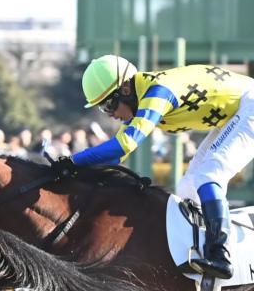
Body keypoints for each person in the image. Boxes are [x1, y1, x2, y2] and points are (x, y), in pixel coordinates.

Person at [56, 54, 254, 279]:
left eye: (109, 104)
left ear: (126, 90)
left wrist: (73, 161)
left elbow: (124, 145)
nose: (110, 114)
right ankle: (202, 251)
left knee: (208, 175)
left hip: (250, 105)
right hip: (237, 113)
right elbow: (116, 156)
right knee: (188, 186)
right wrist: (74, 168)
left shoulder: (158, 91)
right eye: (103, 109)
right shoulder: (143, 94)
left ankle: (220, 254)